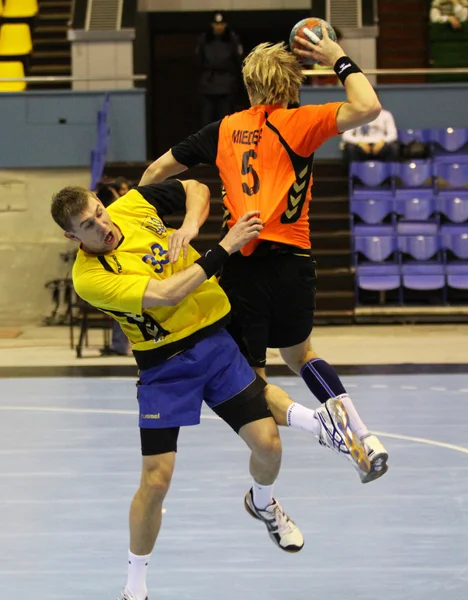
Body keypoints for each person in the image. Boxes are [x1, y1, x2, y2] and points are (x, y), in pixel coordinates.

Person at [50, 179, 370, 600]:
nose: (102, 225)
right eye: (88, 226)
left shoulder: (131, 206)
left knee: (269, 447)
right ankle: (135, 587)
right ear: (73, 236)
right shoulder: (89, 278)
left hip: (214, 342)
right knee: (157, 480)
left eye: (99, 213)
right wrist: (224, 247)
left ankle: (265, 501)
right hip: (165, 364)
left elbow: (195, 186)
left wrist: (188, 226)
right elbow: (166, 294)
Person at [138, 25, 389, 483]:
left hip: (241, 265)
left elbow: (156, 171)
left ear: (249, 84)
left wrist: (149, 227)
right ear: (291, 85)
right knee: (302, 355)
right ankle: (362, 433)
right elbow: (369, 105)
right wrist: (335, 54)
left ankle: (317, 433)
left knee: (250, 379)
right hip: (293, 260)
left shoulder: (225, 128)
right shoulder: (302, 121)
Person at [197, 11, 243, 126]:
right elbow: (199, 61)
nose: (219, 27)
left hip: (226, 86)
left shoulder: (232, 40)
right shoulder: (204, 39)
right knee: (207, 121)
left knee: (225, 121)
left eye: (221, 24)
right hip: (208, 85)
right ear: (212, 25)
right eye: (216, 24)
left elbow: (237, 62)